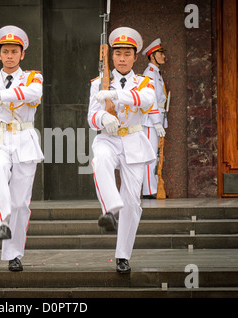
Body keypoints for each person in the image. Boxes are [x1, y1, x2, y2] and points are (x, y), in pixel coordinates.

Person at [0, 25, 44, 271]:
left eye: (15, 51)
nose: (10, 55)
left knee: (21, 204)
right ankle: (2, 221)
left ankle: (14, 255)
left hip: (24, 140)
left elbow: (33, 95)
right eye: (6, 51)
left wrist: (0, 95)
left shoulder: (33, 78)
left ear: (22, 54)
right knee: (0, 170)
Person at [88, 27, 157, 273]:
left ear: (135, 57)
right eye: (117, 53)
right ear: (112, 56)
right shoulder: (99, 82)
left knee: (132, 201)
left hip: (134, 141)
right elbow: (91, 117)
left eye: (127, 53)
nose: (122, 58)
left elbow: (146, 101)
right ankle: (109, 209)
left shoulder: (145, 83)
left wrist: (115, 94)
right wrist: (102, 119)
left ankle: (122, 256)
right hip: (109, 139)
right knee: (101, 160)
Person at [141, 38, 167, 199]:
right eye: (160, 53)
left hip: (157, 121)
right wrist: (156, 122)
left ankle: (154, 189)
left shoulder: (156, 73)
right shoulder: (149, 74)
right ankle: (149, 190)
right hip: (150, 122)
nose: (164, 56)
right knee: (151, 156)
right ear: (152, 56)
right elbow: (149, 100)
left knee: (156, 155)